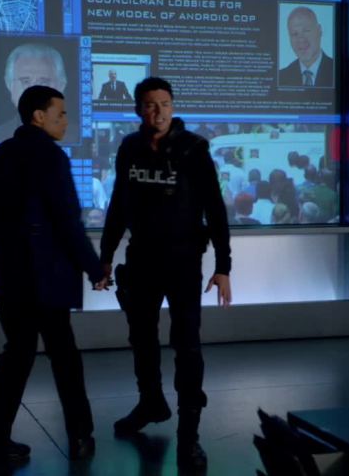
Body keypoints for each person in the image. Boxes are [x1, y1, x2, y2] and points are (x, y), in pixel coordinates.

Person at [0, 85, 109, 463]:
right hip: (45, 278)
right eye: (60, 114)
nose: (66, 121)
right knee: (65, 357)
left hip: (6, 279)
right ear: (38, 116)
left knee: (17, 354)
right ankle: (80, 437)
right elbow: (68, 222)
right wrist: (94, 268)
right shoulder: (51, 157)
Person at [99, 77, 232, 472]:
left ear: (173, 107)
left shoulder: (193, 149)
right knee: (141, 337)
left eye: (164, 104)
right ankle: (151, 404)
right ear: (138, 109)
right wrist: (105, 256)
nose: (157, 112)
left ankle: (190, 435)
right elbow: (118, 206)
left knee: (186, 344)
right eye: (149, 104)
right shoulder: (129, 148)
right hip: (141, 258)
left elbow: (215, 209)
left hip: (184, 260)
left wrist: (223, 267)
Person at [0, 43, 78, 143]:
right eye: (25, 81)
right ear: (9, 85)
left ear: (61, 86)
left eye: (44, 82)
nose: (33, 89)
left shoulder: (77, 137)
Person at [279, 6, 334, 87]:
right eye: (295, 34)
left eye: (306, 31)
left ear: (319, 30)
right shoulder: (281, 77)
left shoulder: (338, 70)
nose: (301, 39)